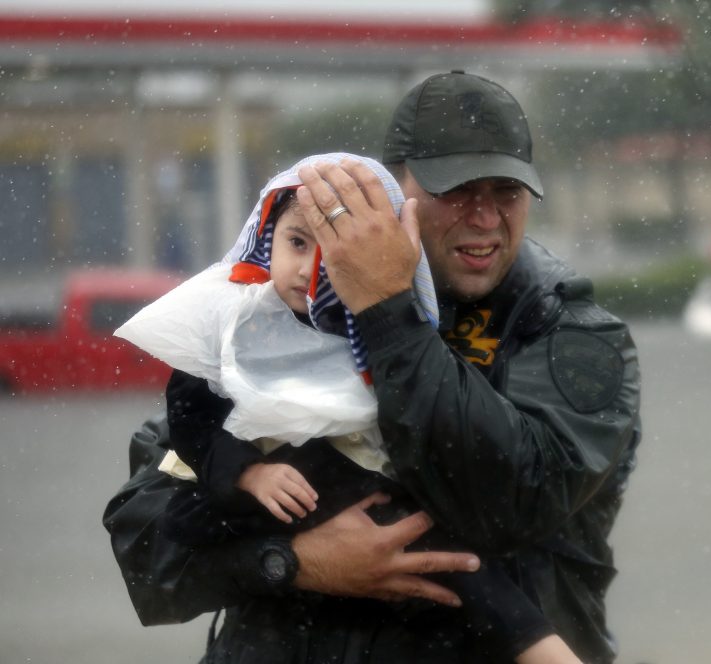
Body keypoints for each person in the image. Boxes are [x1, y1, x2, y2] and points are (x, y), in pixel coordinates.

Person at [104, 70, 641, 663]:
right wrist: (294, 561)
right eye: (457, 189)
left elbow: (510, 501)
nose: (485, 217)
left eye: (506, 192)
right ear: (390, 194)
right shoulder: (286, 317)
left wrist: (387, 313)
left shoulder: (569, 333)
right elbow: (147, 541)